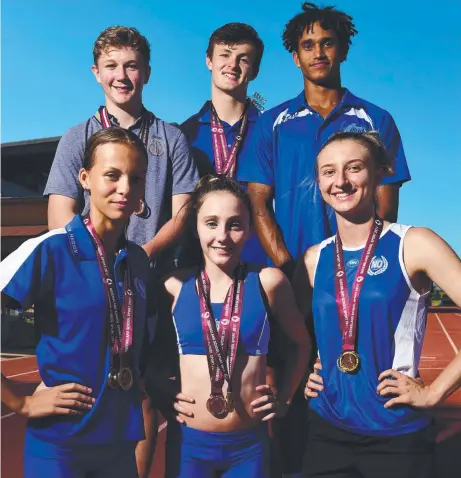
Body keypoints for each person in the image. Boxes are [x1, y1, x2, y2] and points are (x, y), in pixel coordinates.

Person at [238, 4, 411, 475]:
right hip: (298, 284)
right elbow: (257, 204)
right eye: (307, 45)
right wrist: (293, 270)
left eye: (327, 42)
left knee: (361, 386)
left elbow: (387, 208)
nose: (318, 52)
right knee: (292, 391)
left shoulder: (377, 119)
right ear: (295, 56)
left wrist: (359, 268)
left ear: (344, 48)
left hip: (357, 289)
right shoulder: (270, 123)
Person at [43, 26, 198, 475]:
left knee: (143, 391)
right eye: (112, 66)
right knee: (84, 387)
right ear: (96, 73)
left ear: (146, 72)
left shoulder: (170, 138)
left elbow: (184, 213)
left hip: (147, 284)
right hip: (91, 283)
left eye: (131, 65)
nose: (122, 75)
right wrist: (94, 265)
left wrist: (140, 257)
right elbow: (60, 210)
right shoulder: (78, 137)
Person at [293, 131, 461, 478]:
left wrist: (433, 394)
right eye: (328, 171)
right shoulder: (314, 259)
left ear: (379, 172)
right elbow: (300, 331)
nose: (340, 181)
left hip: (397, 437)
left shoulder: (414, 244)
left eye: (353, 168)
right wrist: (305, 370)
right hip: (326, 430)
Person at [1, 127, 154, 478]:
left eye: (136, 178)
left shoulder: (139, 263)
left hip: (119, 445)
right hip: (60, 447)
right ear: (85, 178)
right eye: (112, 175)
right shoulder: (53, 248)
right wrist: (19, 402)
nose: (125, 188)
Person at [147, 176, 311, 478]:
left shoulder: (269, 282)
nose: (222, 235)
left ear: (249, 230)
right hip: (188, 447)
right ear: (195, 227)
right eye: (211, 223)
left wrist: (286, 398)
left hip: (249, 448)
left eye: (235, 224)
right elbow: (149, 358)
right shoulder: (173, 286)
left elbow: (301, 344)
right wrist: (159, 391)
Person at [181, 22, 266, 265]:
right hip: (196, 265)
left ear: (255, 70)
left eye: (243, 58)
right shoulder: (184, 135)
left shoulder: (270, 131)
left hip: (256, 265)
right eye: (225, 55)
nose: (232, 64)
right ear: (209, 60)